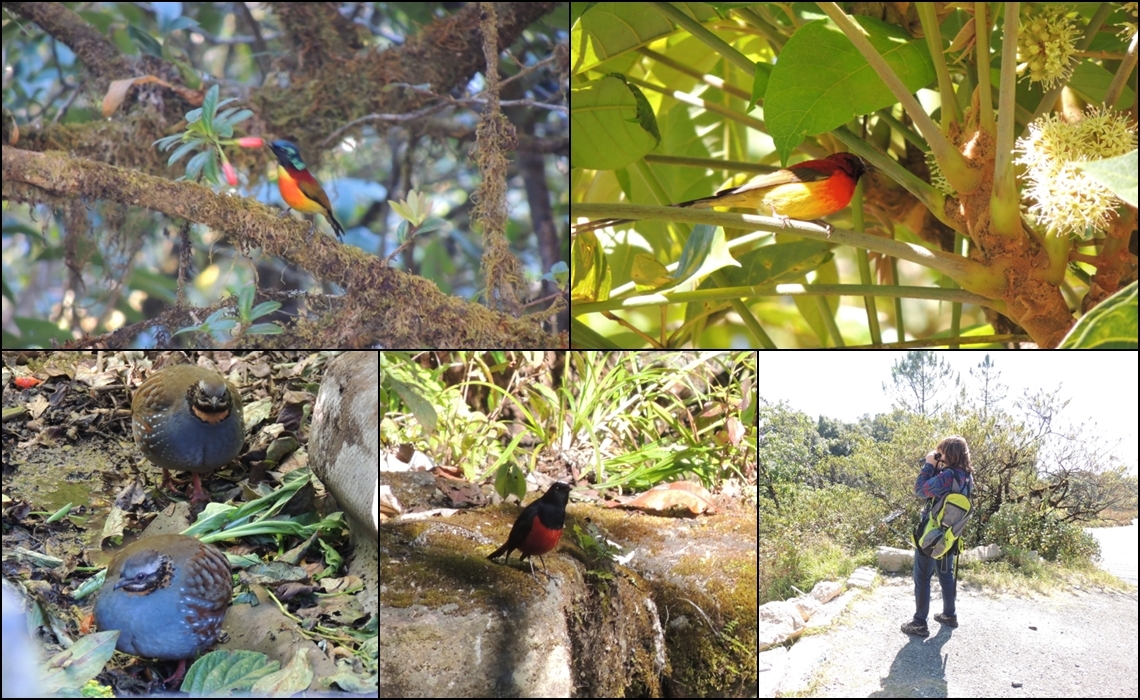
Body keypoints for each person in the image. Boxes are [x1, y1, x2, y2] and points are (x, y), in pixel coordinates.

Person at [901, 436, 974, 637]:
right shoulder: (967, 476)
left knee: (923, 577)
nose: (938, 455)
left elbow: (919, 490)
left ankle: (919, 623)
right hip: (951, 535)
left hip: (931, 535)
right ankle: (950, 615)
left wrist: (928, 465)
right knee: (946, 574)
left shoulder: (947, 475)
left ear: (949, 453)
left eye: (940, 452)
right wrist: (937, 466)